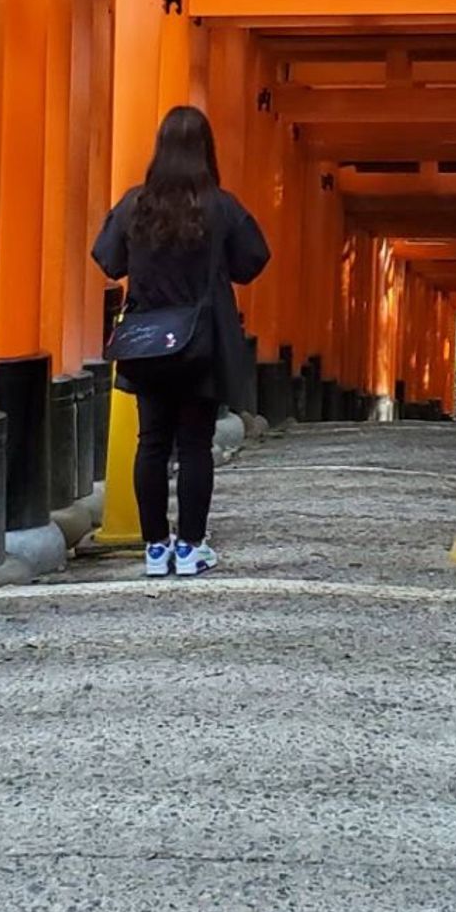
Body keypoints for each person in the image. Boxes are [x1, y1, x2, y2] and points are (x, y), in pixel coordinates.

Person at [91, 105, 270, 579]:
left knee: (151, 443)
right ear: (206, 151)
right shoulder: (222, 205)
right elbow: (252, 261)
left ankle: (154, 548)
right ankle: (190, 547)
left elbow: (108, 260)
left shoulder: (136, 204)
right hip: (202, 343)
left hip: (147, 341)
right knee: (195, 444)